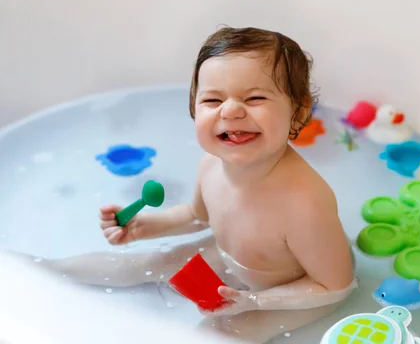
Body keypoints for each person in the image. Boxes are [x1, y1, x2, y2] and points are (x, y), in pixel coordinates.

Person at [32, 27, 357, 343]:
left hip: (299, 290)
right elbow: (198, 215)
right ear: (193, 108)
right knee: (147, 263)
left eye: (255, 97)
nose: (230, 110)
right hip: (235, 262)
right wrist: (145, 226)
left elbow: (335, 287)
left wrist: (256, 301)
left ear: (298, 114)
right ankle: (33, 274)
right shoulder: (211, 165)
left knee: (219, 333)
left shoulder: (304, 202)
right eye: (213, 100)